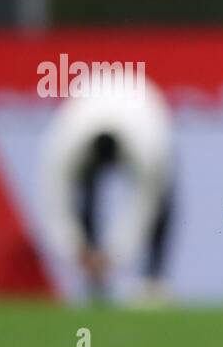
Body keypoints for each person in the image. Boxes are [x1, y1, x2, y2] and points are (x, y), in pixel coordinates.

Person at [40, 73, 175, 303]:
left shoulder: (147, 145)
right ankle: (95, 281)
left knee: (164, 199)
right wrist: (75, 248)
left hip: (147, 112)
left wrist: (115, 254)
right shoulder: (68, 143)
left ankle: (153, 281)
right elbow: (54, 200)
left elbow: (144, 205)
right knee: (86, 203)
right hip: (91, 113)